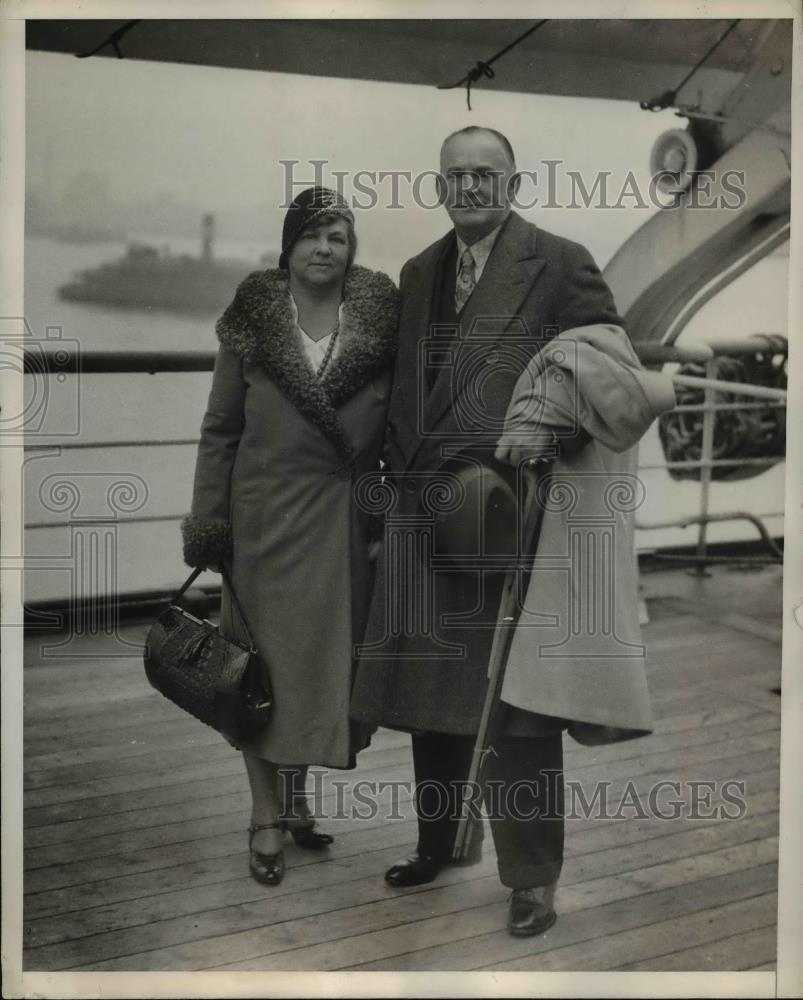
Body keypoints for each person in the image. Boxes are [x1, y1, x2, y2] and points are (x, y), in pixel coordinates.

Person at [350, 126, 656, 936]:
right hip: (424, 511)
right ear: (440, 185)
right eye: (456, 175)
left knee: (514, 710)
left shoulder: (559, 262)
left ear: (513, 182)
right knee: (429, 694)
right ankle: (442, 841)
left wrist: (550, 432)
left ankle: (531, 878)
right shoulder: (419, 273)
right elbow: (405, 397)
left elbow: (611, 377)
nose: (471, 187)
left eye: (486, 174)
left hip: (508, 514)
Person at [182, 186, 399, 886]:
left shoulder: (377, 319)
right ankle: (265, 816)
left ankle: (297, 800)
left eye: (337, 236)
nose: (324, 248)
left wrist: (380, 518)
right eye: (311, 235)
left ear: (351, 248)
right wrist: (210, 523)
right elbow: (219, 430)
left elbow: (395, 437)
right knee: (259, 675)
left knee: (317, 669)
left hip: (341, 527)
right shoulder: (254, 315)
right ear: (289, 245)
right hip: (263, 528)